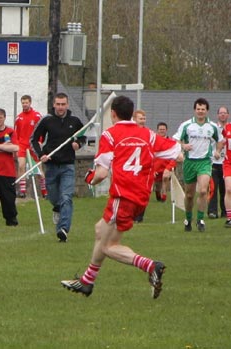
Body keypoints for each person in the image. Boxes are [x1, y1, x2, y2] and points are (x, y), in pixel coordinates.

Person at [61, 95, 183, 299]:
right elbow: (176, 152)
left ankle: (151, 265)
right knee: (100, 229)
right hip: (140, 197)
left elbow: (100, 174)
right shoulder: (148, 135)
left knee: (108, 246)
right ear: (132, 114)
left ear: (113, 113)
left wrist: (89, 178)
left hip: (123, 195)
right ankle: (87, 281)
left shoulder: (110, 135)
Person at [30, 92, 85, 242]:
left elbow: (83, 136)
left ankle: (63, 229)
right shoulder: (47, 121)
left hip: (68, 165)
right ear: (54, 104)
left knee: (66, 197)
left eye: (63, 104)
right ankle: (57, 208)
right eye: (58, 104)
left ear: (67, 105)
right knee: (54, 197)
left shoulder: (75, 121)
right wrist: (41, 154)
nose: (60, 107)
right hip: (51, 166)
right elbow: (33, 139)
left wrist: (78, 144)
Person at [173, 98, 223, 232]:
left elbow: (221, 140)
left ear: (207, 111)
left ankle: (200, 220)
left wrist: (217, 151)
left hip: (205, 162)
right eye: (198, 109)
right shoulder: (187, 125)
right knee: (189, 195)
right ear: (195, 110)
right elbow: (175, 140)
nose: (200, 112)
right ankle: (188, 219)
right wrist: (183, 146)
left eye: (203, 109)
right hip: (189, 162)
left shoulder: (212, 126)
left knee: (202, 190)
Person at [14, 95, 47, 198]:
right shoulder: (19, 117)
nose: (24, 105)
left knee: (38, 169)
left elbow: (42, 130)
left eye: (26, 102)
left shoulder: (37, 116)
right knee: (21, 166)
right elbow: (16, 134)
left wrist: (40, 141)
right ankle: (22, 191)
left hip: (33, 145)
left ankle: (44, 190)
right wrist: (16, 146)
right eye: (23, 103)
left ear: (30, 103)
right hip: (22, 146)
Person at [208, 106, 228, 219]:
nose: (223, 115)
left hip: (226, 163)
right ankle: (212, 211)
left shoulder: (230, 128)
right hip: (214, 162)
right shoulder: (213, 128)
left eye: (225, 113)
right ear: (217, 115)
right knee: (213, 188)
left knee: (226, 189)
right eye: (221, 113)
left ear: (228, 115)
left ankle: (226, 211)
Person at [153, 122, 177, 203]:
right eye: (160, 129)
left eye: (163, 129)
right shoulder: (154, 141)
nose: (162, 131)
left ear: (166, 130)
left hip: (166, 166)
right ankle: (158, 193)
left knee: (165, 178)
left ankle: (164, 195)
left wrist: (170, 166)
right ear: (157, 130)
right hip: (156, 167)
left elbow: (174, 155)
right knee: (157, 184)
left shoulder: (170, 142)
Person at [132, 109, 147, 222]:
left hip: (144, 167)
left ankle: (139, 216)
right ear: (134, 119)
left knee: (142, 192)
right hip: (131, 167)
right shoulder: (130, 132)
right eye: (140, 118)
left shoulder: (148, 133)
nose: (142, 121)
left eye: (144, 118)